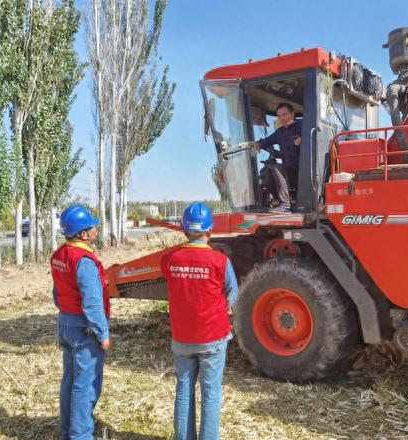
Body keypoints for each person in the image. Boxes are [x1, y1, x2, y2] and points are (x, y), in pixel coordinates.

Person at [160, 202, 238, 440]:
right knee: (211, 394)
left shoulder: (169, 259)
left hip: (182, 337)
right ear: (210, 231)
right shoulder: (220, 261)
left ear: (184, 230)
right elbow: (232, 295)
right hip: (212, 337)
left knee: (183, 391)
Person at [51, 205, 112, 440]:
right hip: (84, 329)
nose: (96, 229)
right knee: (85, 386)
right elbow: (92, 302)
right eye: (92, 227)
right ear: (83, 234)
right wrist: (102, 332)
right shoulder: (84, 261)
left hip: (66, 324)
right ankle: (81, 435)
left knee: (70, 380)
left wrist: (66, 314)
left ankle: (67, 431)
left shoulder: (59, 255)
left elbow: (57, 293)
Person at [255, 102, 302, 212]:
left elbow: (315, 133)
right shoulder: (280, 132)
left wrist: (302, 139)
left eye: (285, 115)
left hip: (302, 169)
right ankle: (286, 199)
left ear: (292, 114)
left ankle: (285, 204)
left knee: (276, 167)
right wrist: (258, 144)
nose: (282, 118)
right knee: (265, 173)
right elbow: (267, 141)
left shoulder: (302, 125)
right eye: (279, 116)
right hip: (287, 170)